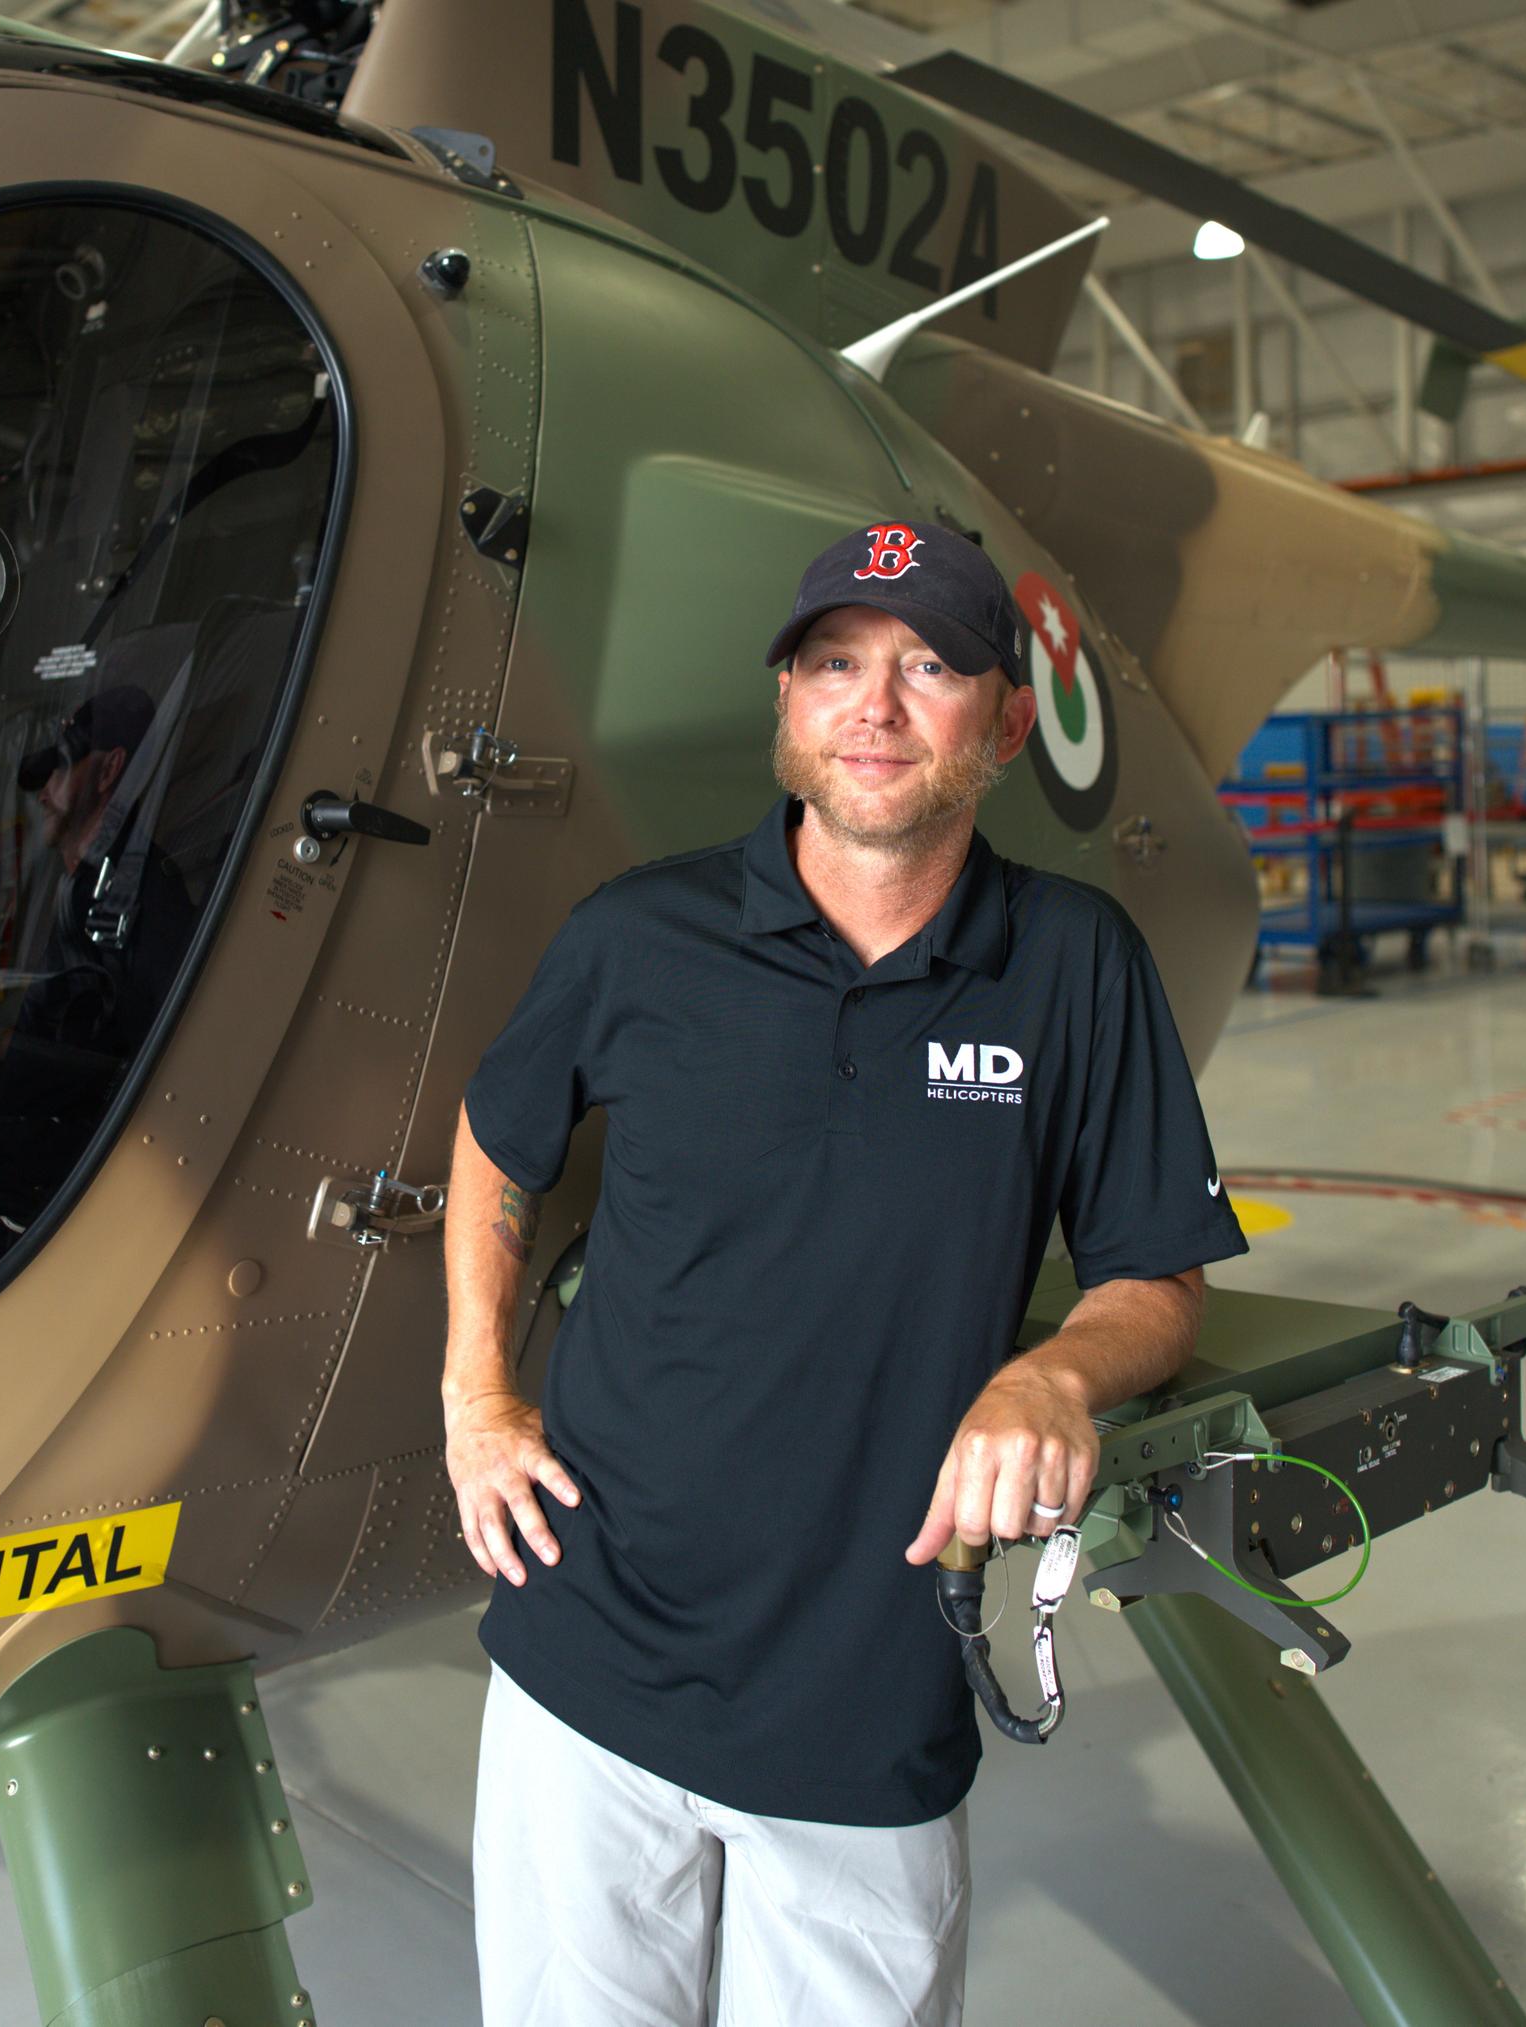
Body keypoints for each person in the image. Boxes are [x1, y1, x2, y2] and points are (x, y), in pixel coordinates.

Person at [441, 521, 1249, 2026]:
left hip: (862, 1709)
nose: (874, 706)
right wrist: (474, 1393)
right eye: (834, 663)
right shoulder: (639, 936)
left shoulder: (1074, 965)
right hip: (584, 1669)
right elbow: (499, 1139)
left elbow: (1155, 1273)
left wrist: (1050, 1373)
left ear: (1006, 722)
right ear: (786, 706)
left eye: (930, 665)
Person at [0, 683, 195, 1264]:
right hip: (20, 1195)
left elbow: (158, 1054)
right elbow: (70, 1018)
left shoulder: (140, 897)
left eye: (62, 769)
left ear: (109, 772)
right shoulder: (82, 886)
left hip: (60, 1205)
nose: (45, 792)